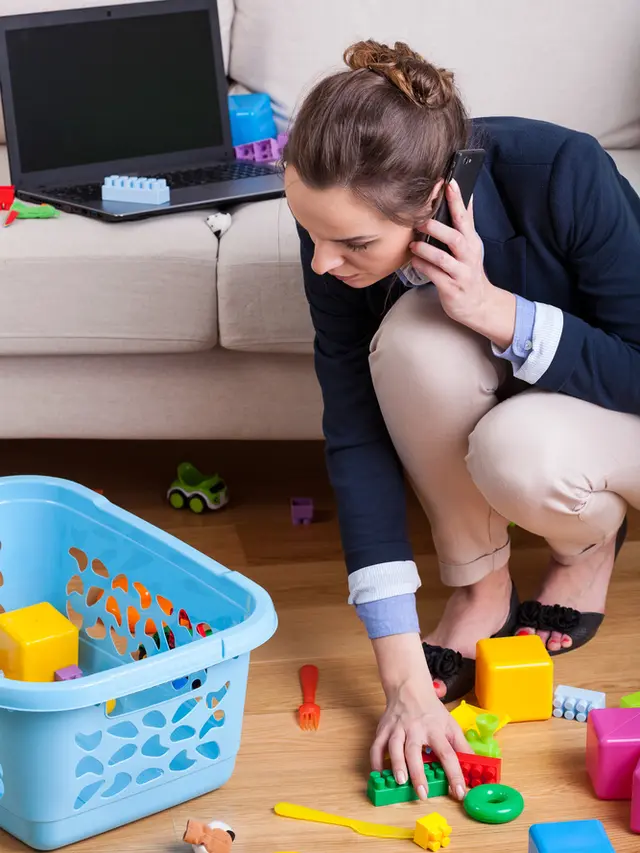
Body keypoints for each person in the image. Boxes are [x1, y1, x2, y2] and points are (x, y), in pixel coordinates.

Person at [284, 39, 640, 803]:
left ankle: (589, 542)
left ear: (438, 199)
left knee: (518, 450)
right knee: (412, 339)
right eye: (309, 232)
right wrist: (401, 673)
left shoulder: (565, 173)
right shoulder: (335, 231)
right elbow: (355, 433)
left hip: (620, 410)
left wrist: (498, 314)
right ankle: (483, 584)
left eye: (350, 244)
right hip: (527, 412)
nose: (320, 263)